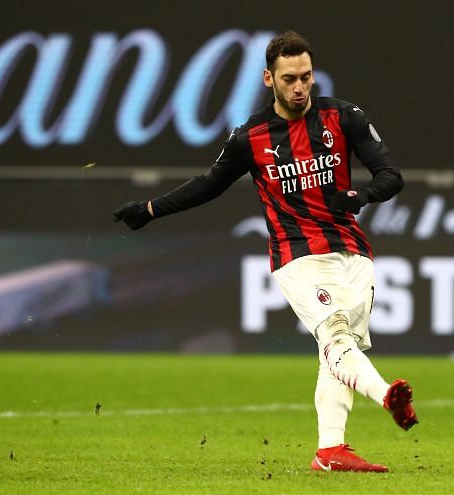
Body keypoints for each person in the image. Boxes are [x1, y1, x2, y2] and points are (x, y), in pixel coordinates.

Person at [112, 30, 417, 473]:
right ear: (268, 79)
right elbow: (208, 185)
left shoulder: (344, 117)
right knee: (334, 334)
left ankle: (330, 451)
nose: (300, 87)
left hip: (353, 252)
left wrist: (359, 197)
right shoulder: (250, 137)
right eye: (289, 78)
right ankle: (387, 395)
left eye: (306, 77)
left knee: (337, 348)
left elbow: (391, 175)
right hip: (296, 256)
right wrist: (150, 208)